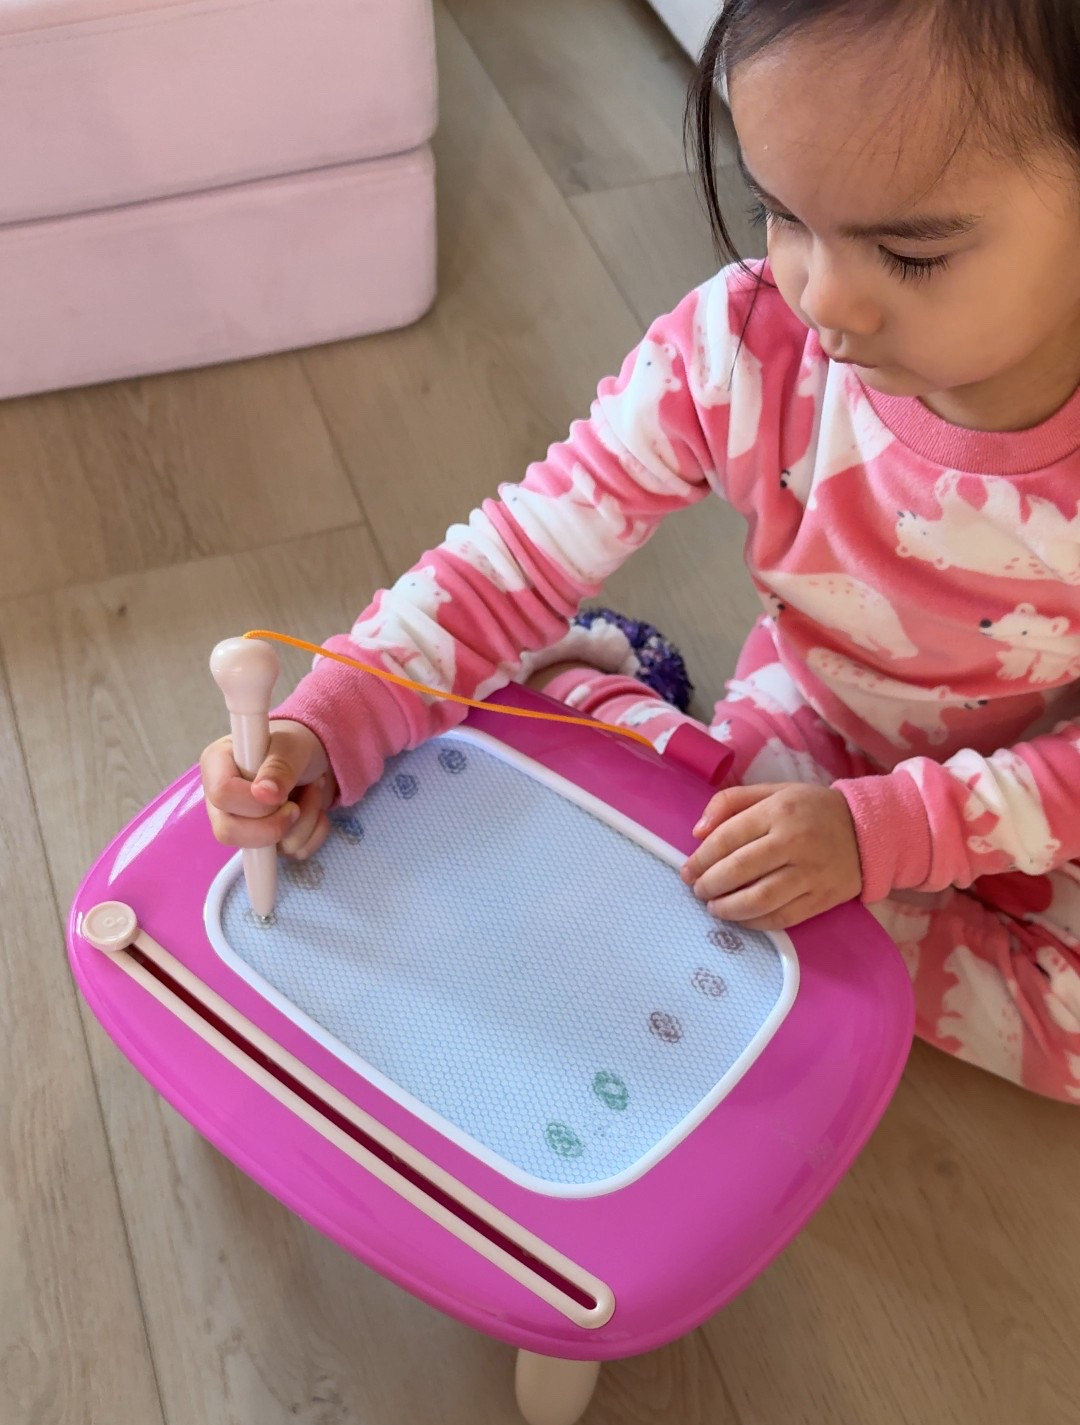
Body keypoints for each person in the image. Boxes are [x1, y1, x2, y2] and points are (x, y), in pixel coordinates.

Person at [201, 0, 1080, 1100]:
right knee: (716, 876)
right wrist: (329, 723)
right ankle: (596, 697)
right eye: (779, 212)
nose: (822, 298)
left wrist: (889, 839)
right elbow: (516, 556)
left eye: (909, 254)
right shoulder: (745, 345)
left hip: (1036, 777)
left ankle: (672, 782)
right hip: (809, 725)